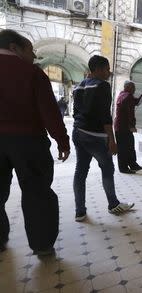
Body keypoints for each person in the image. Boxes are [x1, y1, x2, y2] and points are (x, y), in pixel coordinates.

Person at [0, 30, 70, 256]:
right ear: (14, 48)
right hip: (28, 143)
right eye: (31, 50)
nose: (34, 56)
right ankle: (42, 245)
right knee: (37, 194)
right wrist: (62, 141)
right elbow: (50, 112)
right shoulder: (32, 73)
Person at [72, 55, 134, 222]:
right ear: (98, 69)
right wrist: (112, 140)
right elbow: (105, 116)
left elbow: (75, 112)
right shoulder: (102, 86)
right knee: (107, 168)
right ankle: (113, 204)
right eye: (107, 69)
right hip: (95, 136)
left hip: (78, 132)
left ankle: (80, 211)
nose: (109, 72)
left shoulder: (78, 87)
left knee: (80, 171)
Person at [114, 81, 142, 173]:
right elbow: (130, 114)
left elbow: (136, 102)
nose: (134, 89)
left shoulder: (123, 94)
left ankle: (133, 164)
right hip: (124, 127)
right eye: (133, 87)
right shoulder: (127, 96)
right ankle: (123, 168)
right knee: (124, 148)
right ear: (128, 87)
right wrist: (132, 126)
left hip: (120, 127)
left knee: (129, 146)